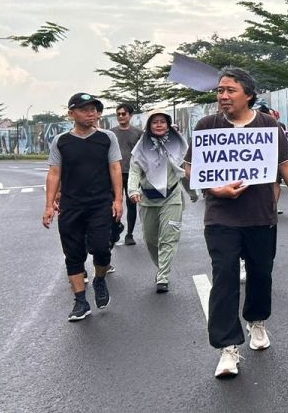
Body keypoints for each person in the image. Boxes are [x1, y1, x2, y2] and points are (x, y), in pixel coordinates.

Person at [186, 67, 288, 379]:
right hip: (220, 218)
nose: (223, 96)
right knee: (224, 278)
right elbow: (190, 169)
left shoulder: (268, 125)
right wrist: (214, 188)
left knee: (260, 274)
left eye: (230, 90)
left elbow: (285, 164)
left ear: (249, 95)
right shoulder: (206, 125)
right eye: (220, 90)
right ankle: (228, 348)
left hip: (260, 217)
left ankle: (257, 322)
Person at [42, 93, 124, 322]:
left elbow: (115, 169)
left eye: (95, 109)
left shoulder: (107, 138)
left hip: (100, 204)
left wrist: (118, 200)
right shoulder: (61, 141)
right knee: (73, 254)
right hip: (71, 206)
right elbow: (54, 173)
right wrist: (49, 205)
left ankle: (99, 279)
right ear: (71, 114)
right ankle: (80, 301)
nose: (92, 114)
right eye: (85, 109)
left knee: (101, 249)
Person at [127, 108, 188, 293]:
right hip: (148, 199)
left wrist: (194, 192)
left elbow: (185, 169)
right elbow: (135, 170)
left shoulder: (178, 145)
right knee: (152, 239)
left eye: (163, 121)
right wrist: (132, 190)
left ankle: (163, 276)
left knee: (168, 238)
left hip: (172, 197)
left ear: (168, 125)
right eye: (155, 122)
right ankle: (161, 266)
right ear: (149, 125)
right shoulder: (141, 148)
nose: (159, 125)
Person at [111, 104, 144, 246]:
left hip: (132, 175)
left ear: (130, 116)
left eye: (123, 114)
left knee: (132, 205)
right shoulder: (111, 133)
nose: (120, 116)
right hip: (114, 175)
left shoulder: (138, 133)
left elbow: (142, 154)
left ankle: (129, 234)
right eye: (118, 114)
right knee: (113, 204)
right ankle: (115, 229)